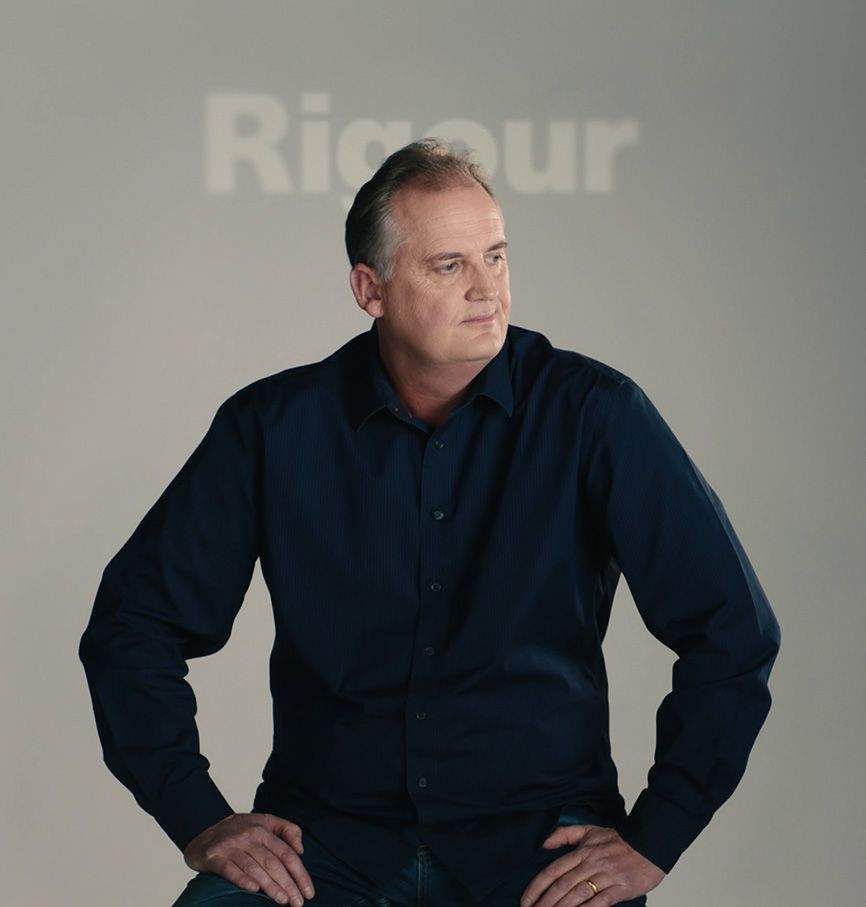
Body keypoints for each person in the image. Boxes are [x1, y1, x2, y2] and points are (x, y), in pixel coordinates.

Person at [78, 138, 781, 906]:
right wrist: (197, 815)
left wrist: (657, 835)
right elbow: (132, 626)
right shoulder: (273, 428)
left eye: (496, 257)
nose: (488, 290)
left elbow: (732, 629)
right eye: (449, 265)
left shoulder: (595, 415)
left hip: (539, 845)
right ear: (369, 288)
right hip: (325, 843)